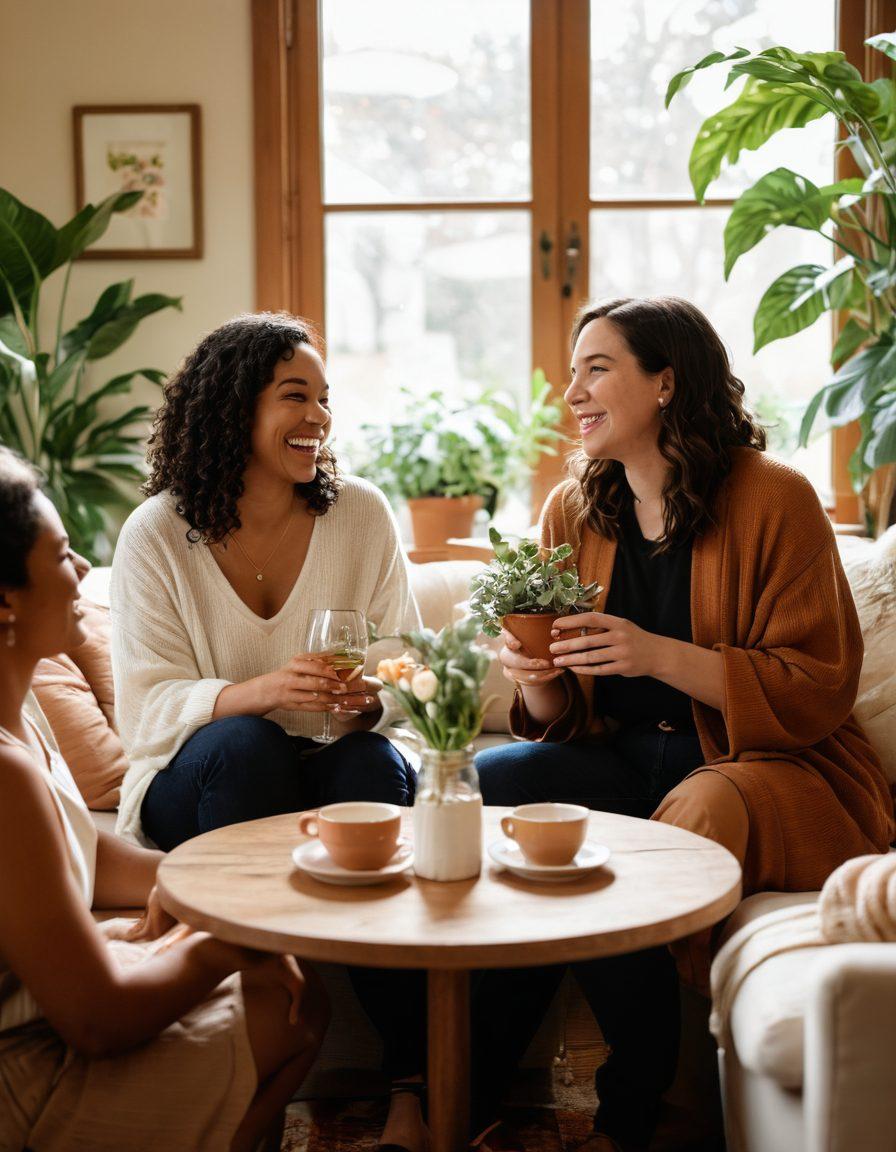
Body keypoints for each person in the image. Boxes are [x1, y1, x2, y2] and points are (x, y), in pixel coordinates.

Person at [476, 297, 895, 1152]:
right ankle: (476, 1082)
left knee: (696, 815)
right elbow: (560, 721)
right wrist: (544, 680)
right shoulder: (572, 512)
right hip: (625, 760)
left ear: (666, 382)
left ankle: (646, 1101)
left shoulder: (776, 498)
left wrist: (657, 654)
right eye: (573, 371)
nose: (573, 392)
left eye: (597, 369)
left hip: (767, 764)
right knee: (505, 784)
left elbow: (817, 687)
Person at [110, 311, 430, 1151]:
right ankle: (252, 1064)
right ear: (232, 408)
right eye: (296, 396)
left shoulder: (360, 516)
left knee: (369, 766)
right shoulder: (157, 534)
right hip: (204, 778)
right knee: (248, 748)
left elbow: (409, 668)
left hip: (329, 767)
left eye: (325, 399)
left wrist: (370, 703)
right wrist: (255, 692)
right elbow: (143, 706)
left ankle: (412, 1092)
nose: (319, 418)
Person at [0, 447, 328, 1152]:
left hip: (41, 1018)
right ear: (5, 602)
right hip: (22, 1071)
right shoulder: (4, 774)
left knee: (294, 998)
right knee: (285, 1007)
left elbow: (90, 856)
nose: (85, 571)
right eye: (61, 555)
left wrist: (254, 887)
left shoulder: (22, 716)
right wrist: (227, 945)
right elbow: (96, 1021)